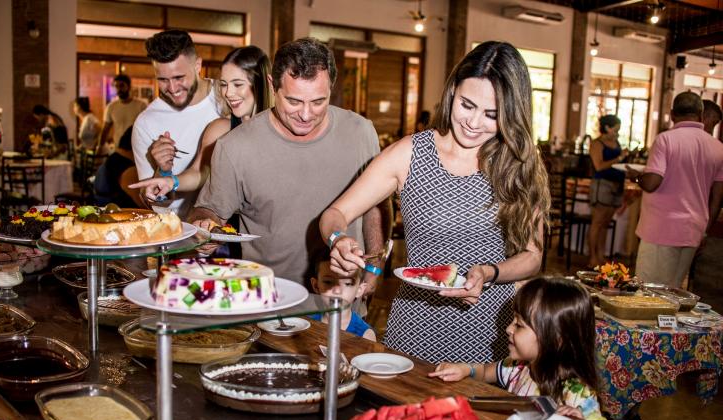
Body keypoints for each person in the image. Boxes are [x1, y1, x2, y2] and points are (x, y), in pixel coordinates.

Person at [320, 41, 549, 365]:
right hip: (415, 325)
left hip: (491, 332)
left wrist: (489, 272)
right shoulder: (410, 154)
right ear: (453, 91)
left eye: (492, 115)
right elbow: (335, 213)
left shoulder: (518, 163)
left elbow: (532, 256)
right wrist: (338, 239)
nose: (473, 122)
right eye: (467, 105)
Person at [188, 37, 388, 286]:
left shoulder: (361, 132)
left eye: (318, 102)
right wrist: (203, 226)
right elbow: (209, 210)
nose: (306, 114)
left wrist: (375, 265)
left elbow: (376, 206)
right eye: (293, 101)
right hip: (270, 303)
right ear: (273, 86)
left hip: (341, 302)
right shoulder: (234, 146)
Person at [428, 277, 607, 420]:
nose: (508, 329)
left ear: (556, 339)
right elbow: (484, 371)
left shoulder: (579, 393)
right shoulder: (517, 367)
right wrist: (466, 370)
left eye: (519, 325)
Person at [130, 45, 272, 201]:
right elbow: (199, 172)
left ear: (263, 83)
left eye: (238, 84)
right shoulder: (220, 128)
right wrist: (170, 181)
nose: (228, 93)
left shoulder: (284, 127)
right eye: (224, 84)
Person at [628, 91, 723, 287]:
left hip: (661, 228)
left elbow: (652, 182)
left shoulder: (666, 140)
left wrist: (636, 176)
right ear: (700, 113)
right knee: (673, 290)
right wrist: (704, 231)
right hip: (693, 229)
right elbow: (717, 196)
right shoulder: (718, 147)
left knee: (646, 292)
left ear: (672, 114)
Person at [131, 30, 223, 215]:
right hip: (182, 234)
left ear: (198, 65)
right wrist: (163, 171)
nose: (172, 89)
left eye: (179, 77)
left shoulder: (229, 98)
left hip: (231, 227)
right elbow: (152, 204)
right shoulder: (146, 122)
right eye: (163, 80)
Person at [587, 114, 627, 268]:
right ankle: (592, 257)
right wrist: (619, 158)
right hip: (602, 185)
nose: (617, 132)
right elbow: (599, 166)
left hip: (617, 185)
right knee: (597, 222)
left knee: (605, 223)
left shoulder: (615, 142)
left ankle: (601, 255)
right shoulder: (597, 144)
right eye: (616, 129)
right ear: (607, 128)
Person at [308, 251, 377, 341]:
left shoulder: (365, 336)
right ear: (316, 286)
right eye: (328, 282)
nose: (337, 290)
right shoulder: (308, 324)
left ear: (359, 290)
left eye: (348, 283)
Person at [93, 127, 143, 209]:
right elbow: (146, 205)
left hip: (103, 214)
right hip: (117, 218)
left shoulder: (112, 159)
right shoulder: (128, 170)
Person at [96, 74, 147, 153]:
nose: (119, 89)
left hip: (136, 150)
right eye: (116, 86)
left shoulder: (141, 105)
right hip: (118, 150)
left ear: (129, 86)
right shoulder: (111, 107)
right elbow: (105, 129)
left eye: (122, 86)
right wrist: (100, 146)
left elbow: (147, 129)